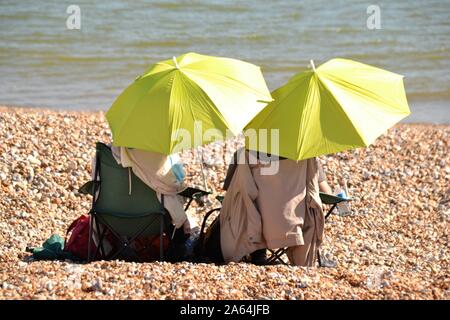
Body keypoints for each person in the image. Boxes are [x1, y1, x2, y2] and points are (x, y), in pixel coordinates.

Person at [219, 149, 324, 267]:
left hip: (258, 227)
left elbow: (232, 189)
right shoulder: (307, 155)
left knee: (244, 203)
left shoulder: (244, 154)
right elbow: (323, 191)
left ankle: (257, 254)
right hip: (294, 225)